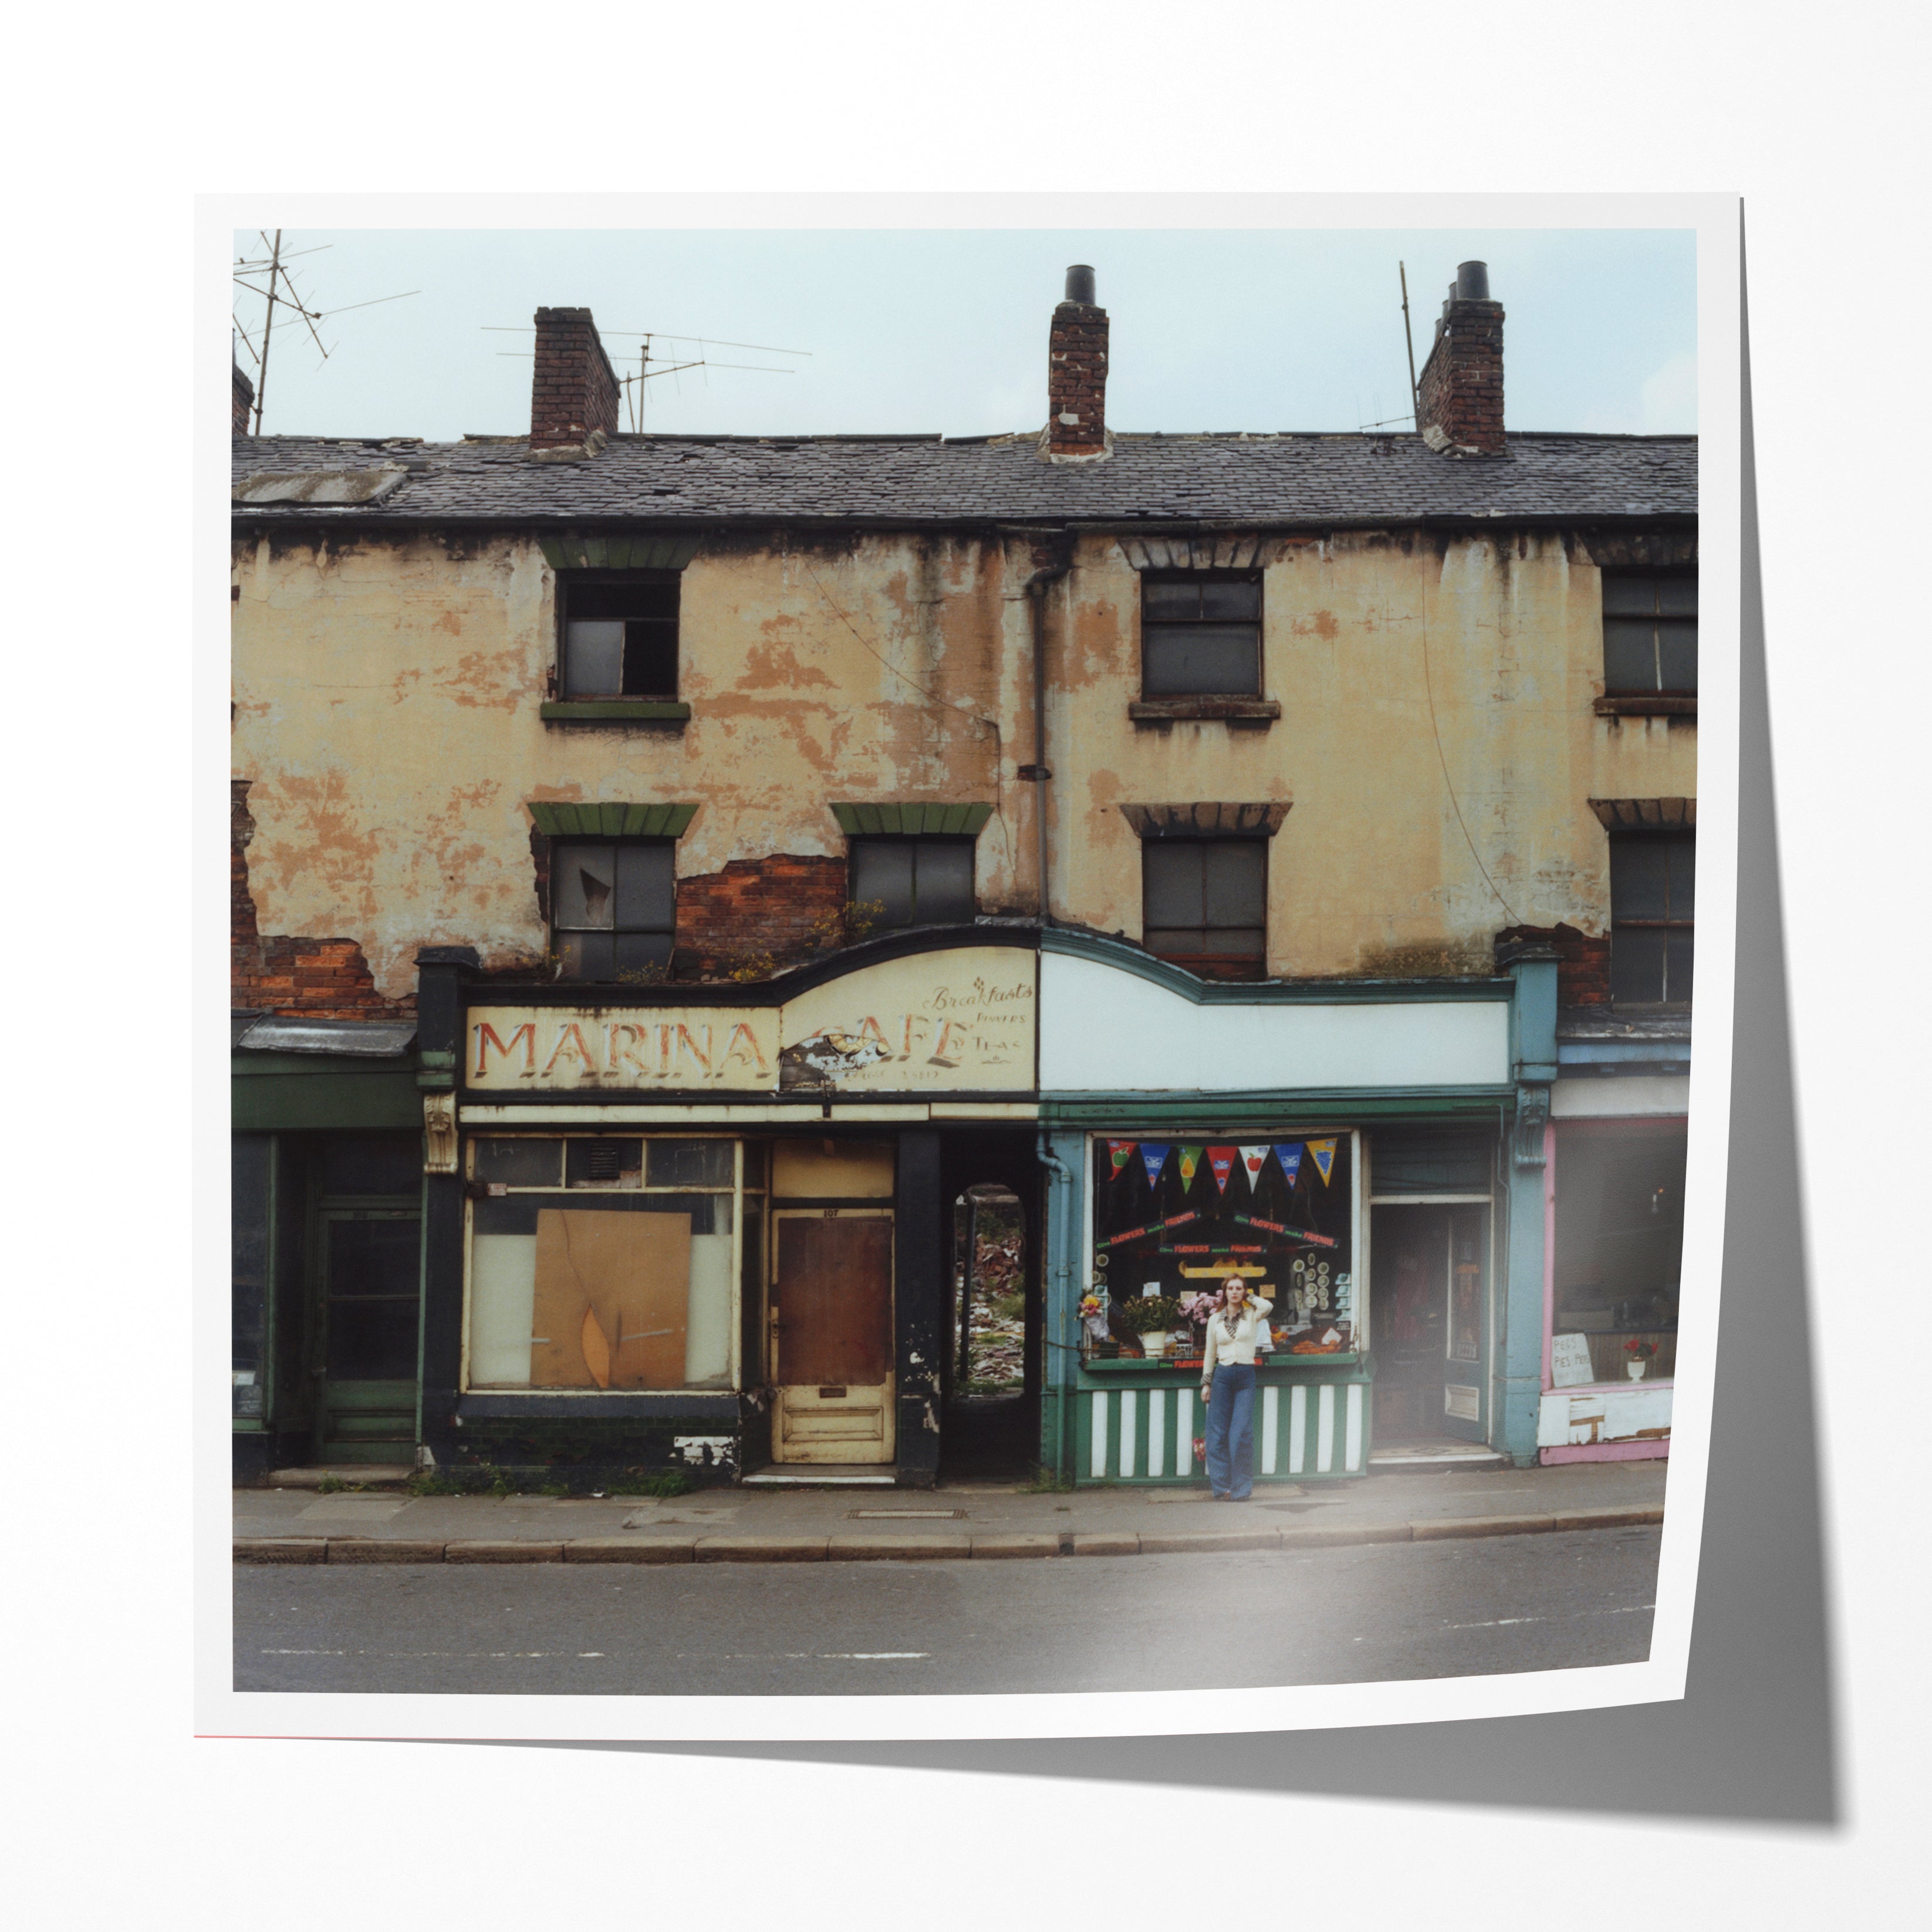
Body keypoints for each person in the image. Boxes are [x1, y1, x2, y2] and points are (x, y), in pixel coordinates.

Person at [1200, 1275, 1274, 1501]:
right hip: (1222, 1376)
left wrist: (1249, 1296)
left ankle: (1241, 1489)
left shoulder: (1252, 1315)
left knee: (1240, 1433)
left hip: (1245, 1377)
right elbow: (1210, 1353)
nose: (1234, 1292)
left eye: (1239, 1288)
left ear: (1243, 1291)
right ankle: (1222, 1487)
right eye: (1231, 1288)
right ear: (1224, 1292)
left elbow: (1268, 1305)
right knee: (1217, 1433)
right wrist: (1206, 1383)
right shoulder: (1215, 1320)